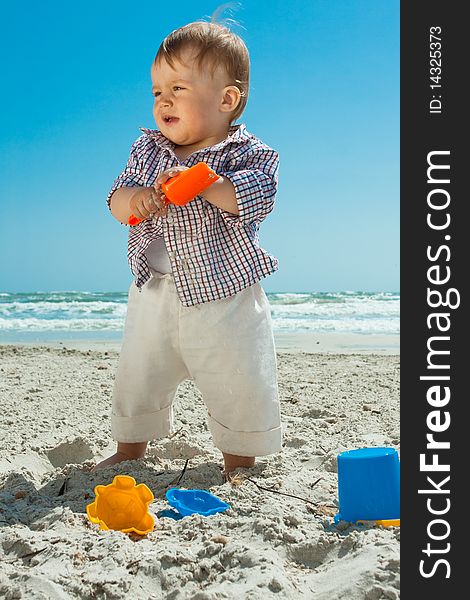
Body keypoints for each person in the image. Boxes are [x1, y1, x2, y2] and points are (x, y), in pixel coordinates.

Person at [92, 20, 282, 478]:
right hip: (154, 289)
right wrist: (137, 200)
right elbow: (117, 199)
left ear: (226, 100)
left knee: (237, 376)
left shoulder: (247, 153)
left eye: (178, 87)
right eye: (157, 91)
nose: (164, 100)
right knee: (138, 372)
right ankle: (130, 445)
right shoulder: (148, 149)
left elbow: (255, 198)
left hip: (223, 293)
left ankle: (240, 457)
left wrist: (207, 182)